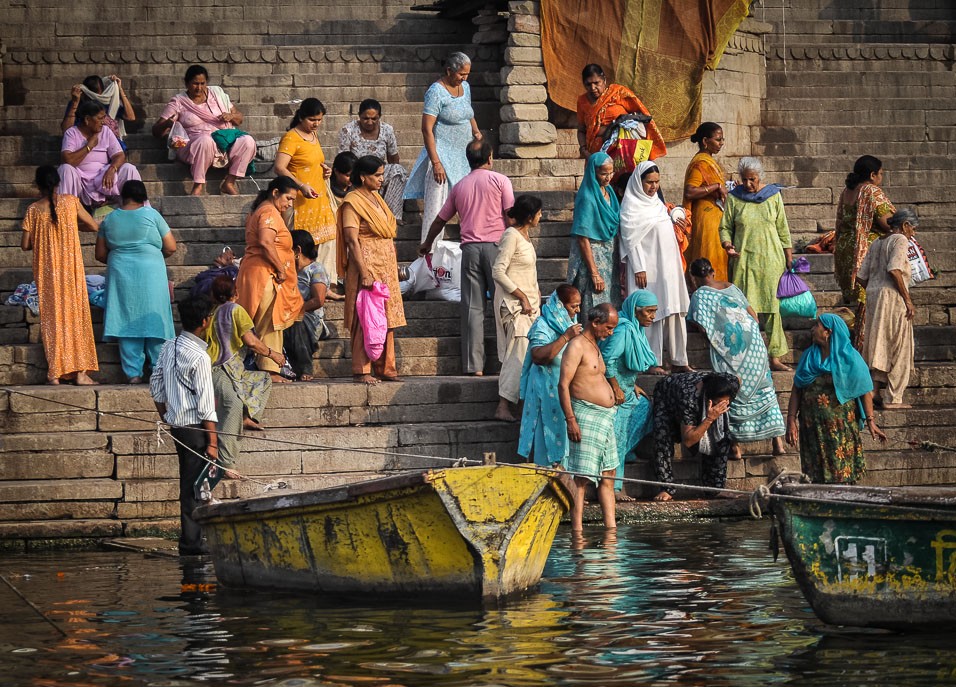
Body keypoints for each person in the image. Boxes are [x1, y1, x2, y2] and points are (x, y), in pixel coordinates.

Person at [419, 139, 514, 375]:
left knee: (473, 307)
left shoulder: (460, 186)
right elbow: (511, 215)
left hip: (470, 249)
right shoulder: (500, 181)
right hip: (497, 248)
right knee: (504, 303)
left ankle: (475, 366)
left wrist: (427, 244)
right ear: (490, 158)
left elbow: (440, 219)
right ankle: (511, 360)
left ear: (468, 160)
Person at [687, 258, 786, 456]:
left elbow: (700, 325)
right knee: (764, 388)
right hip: (755, 343)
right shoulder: (731, 286)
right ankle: (778, 444)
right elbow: (754, 317)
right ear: (713, 272)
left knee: (729, 391)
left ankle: (735, 447)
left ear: (694, 278)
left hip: (732, 349)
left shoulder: (699, 295)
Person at [149, 295, 220, 556]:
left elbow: (156, 387)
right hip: (196, 429)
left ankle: (194, 538)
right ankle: (192, 543)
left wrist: (168, 417)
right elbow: (206, 405)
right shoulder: (200, 357)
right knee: (195, 487)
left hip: (178, 427)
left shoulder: (169, 346)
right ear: (204, 322)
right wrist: (212, 443)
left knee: (191, 483)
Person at [20, 165, 99, 385]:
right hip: (71, 271)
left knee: (52, 320)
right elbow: (93, 226)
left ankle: (54, 373)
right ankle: (81, 373)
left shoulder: (33, 210)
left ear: (37, 185)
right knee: (77, 318)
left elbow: (25, 245)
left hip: (48, 275)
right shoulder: (72, 202)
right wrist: (71, 227)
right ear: (57, 182)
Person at [786, 314, 887, 484]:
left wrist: (871, 421)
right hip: (812, 428)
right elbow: (797, 389)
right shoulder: (809, 357)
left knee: (841, 473)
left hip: (840, 429)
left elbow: (864, 390)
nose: (812, 329)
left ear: (828, 332)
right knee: (814, 475)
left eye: (817, 325)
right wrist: (791, 420)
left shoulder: (850, 358)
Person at [95, 180, 176, 383]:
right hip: (151, 272)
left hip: (121, 273)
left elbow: (100, 253)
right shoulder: (152, 215)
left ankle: (133, 374)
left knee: (127, 318)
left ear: (123, 196)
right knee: (155, 317)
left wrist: (122, 257)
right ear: (144, 197)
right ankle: (159, 371)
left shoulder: (109, 219)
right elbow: (171, 247)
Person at [719, 157, 793, 372]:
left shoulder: (773, 196)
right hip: (744, 260)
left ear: (760, 177)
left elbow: (782, 227)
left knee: (772, 309)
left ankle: (775, 356)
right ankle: (745, 354)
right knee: (744, 308)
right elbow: (725, 227)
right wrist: (727, 244)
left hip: (771, 260)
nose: (748, 184)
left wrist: (788, 256)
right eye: (744, 179)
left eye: (752, 179)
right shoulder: (734, 198)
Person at [337, 155, 406, 383]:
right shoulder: (352, 201)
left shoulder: (377, 198)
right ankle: (362, 370)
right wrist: (364, 271)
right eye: (377, 175)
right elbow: (351, 239)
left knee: (387, 316)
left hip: (385, 263)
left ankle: (386, 368)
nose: (382, 179)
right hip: (365, 263)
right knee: (364, 315)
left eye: (382, 174)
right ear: (363, 177)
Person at [619, 160, 691, 374]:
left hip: (670, 268)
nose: (653, 187)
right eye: (649, 182)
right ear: (638, 182)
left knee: (676, 311)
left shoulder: (658, 205)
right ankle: (653, 361)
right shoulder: (631, 207)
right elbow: (631, 241)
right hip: (648, 270)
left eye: (657, 182)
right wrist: (639, 268)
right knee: (652, 314)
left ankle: (680, 360)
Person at [206, 276, 284, 466]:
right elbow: (251, 341)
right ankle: (226, 463)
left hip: (231, 370)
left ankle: (248, 416)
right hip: (219, 370)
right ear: (237, 294)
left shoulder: (212, 312)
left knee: (263, 379)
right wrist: (274, 355)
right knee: (231, 406)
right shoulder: (236, 310)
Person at [405, 51, 482, 243]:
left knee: (468, 201)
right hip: (441, 155)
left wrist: (476, 131)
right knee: (436, 208)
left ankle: (471, 242)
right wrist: (436, 162)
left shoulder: (465, 86)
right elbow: (426, 129)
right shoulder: (436, 92)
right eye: (460, 74)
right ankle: (429, 251)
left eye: (467, 74)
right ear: (449, 70)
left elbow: (468, 112)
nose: (464, 78)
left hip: (463, 156)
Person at [234, 176, 304, 382]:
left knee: (255, 322)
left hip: (256, 272)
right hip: (264, 275)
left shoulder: (262, 211)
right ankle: (270, 371)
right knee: (270, 323)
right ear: (275, 193)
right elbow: (266, 242)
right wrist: (280, 268)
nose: (289, 204)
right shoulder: (268, 213)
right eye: (288, 199)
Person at [558, 303, 620, 533]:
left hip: (605, 418)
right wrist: (570, 419)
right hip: (584, 415)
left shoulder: (595, 344)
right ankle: (577, 532)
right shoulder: (576, 346)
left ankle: (611, 530)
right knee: (582, 477)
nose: (610, 332)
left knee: (608, 474)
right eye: (609, 327)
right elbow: (563, 385)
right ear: (595, 323)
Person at [152, 64, 255, 196]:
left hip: (223, 143)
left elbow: (239, 119)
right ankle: (198, 185)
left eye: (202, 83)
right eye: (195, 84)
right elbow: (156, 132)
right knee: (206, 140)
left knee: (248, 141)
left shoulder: (217, 95)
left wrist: (231, 116)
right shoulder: (178, 102)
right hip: (192, 145)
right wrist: (167, 123)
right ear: (186, 83)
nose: (199, 88)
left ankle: (229, 182)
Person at [599, 290, 658, 499]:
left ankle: (628, 452)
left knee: (647, 409)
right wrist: (615, 386)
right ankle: (615, 488)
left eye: (654, 312)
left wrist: (633, 385)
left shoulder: (637, 330)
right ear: (636, 310)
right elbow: (607, 359)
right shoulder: (624, 330)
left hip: (628, 388)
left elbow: (630, 361)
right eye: (649, 311)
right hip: (614, 393)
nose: (652, 316)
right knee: (619, 436)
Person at [857, 208, 917, 410]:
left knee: (880, 342)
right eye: (912, 228)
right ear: (905, 225)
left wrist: (876, 290)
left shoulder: (877, 242)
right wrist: (907, 300)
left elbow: (861, 276)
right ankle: (894, 398)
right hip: (892, 297)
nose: (913, 233)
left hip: (874, 295)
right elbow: (894, 269)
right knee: (900, 346)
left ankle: (873, 392)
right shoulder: (900, 239)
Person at [274, 98, 338, 285]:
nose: (316, 124)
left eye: (319, 120)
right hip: (299, 199)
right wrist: (301, 185)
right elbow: (280, 167)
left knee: (326, 239)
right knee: (301, 242)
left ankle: (323, 284)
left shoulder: (313, 135)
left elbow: (311, 163)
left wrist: (325, 170)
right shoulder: (291, 137)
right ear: (301, 117)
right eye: (312, 120)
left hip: (318, 196)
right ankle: (300, 282)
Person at [834, 155, 896, 348]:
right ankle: (865, 349)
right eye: (881, 174)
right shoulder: (871, 190)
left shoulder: (847, 191)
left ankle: (861, 346)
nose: (881, 177)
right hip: (864, 253)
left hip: (847, 252)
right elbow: (886, 222)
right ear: (872, 175)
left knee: (863, 305)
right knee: (868, 305)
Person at [518, 285, 582, 466]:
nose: (577, 310)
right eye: (573, 306)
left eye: (578, 306)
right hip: (544, 392)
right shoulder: (542, 324)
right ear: (560, 306)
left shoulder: (572, 324)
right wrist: (565, 337)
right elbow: (538, 356)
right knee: (545, 440)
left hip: (565, 392)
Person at [492, 194, 542, 422]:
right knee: (517, 355)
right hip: (514, 306)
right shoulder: (510, 235)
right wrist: (521, 297)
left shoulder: (525, 236)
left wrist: (535, 297)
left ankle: (521, 405)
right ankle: (503, 405)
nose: (541, 217)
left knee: (528, 355)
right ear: (530, 216)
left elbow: (529, 273)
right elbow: (498, 271)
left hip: (531, 306)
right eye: (539, 213)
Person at [651, 372, 740, 501]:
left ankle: (714, 489)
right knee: (662, 436)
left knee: (721, 436)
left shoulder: (731, 383)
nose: (722, 405)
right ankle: (666, 487)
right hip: (667, 395)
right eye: (719, 402)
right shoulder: (688, 398)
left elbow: (738, 379)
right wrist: (709, 419)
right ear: (708, 398)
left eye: (726, 402)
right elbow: (688, 441)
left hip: (698, 398)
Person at [59, 100, 144, 207]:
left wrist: (112, 169)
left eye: (104, 117)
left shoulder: (106, 131)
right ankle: (65, 214)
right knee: (66, 169)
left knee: (129, 168)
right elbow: (68, 160)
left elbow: (119, 155)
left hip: (105, 181)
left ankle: (141, 212)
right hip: (81, 183)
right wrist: (89, 147)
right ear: (87, 119)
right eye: (100, 118)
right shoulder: (71, 133)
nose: (103, 122)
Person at [567, 151, 621, 320]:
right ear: (593, 171)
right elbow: (583, 238)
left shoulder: (609, 192)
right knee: (593, 305)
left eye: (611, 172)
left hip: (609, 256)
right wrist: (594, 273)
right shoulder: (587, 197)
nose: (608, 177)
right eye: (603, 173)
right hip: (592, 258)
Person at [575, 63, 666, 159]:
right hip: (596, 156)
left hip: (624, 151)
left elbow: (642, 115)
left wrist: (620, 125)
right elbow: (581, 130)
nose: (593, 88)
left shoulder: (618, 93)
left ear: (604, 80)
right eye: (588, 84)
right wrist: (584, 150)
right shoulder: (582, 102)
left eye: (597, 83)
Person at [338, 98, 408, 220]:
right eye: (365, 118)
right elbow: (344, 159)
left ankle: (391, 216)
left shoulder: (387, 130)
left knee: (399, 170)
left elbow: (393, 157)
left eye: (374, 119)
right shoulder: (348, 130)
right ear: (359, 116)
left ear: (379, 117)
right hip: (358, 175)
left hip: (378, 173)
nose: (370, 122)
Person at [682, 121, 729, 281]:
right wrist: (716, 186)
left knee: (719, 258)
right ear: (705, 141)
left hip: (714, 217)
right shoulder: (701, 163)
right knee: (710, 259)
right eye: (718, 139)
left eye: (722, 139)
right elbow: (690, 191)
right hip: (706, 220)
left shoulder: (709, 160)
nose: (721, 143)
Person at [284, 230, 330, 382]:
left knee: (297, 322)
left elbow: (318, 300)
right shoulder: (288, 269)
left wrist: (296, 310)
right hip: (287, 313)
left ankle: (305, 366)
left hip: (310, 317)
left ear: (297, 250)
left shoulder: (316, 269)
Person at [61, 74, 135, 140]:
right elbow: (66, 129)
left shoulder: (106, 103)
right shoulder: (77, 103)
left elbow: (130, 117)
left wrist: (120, 91)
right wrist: (75, 103)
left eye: (99, 97)